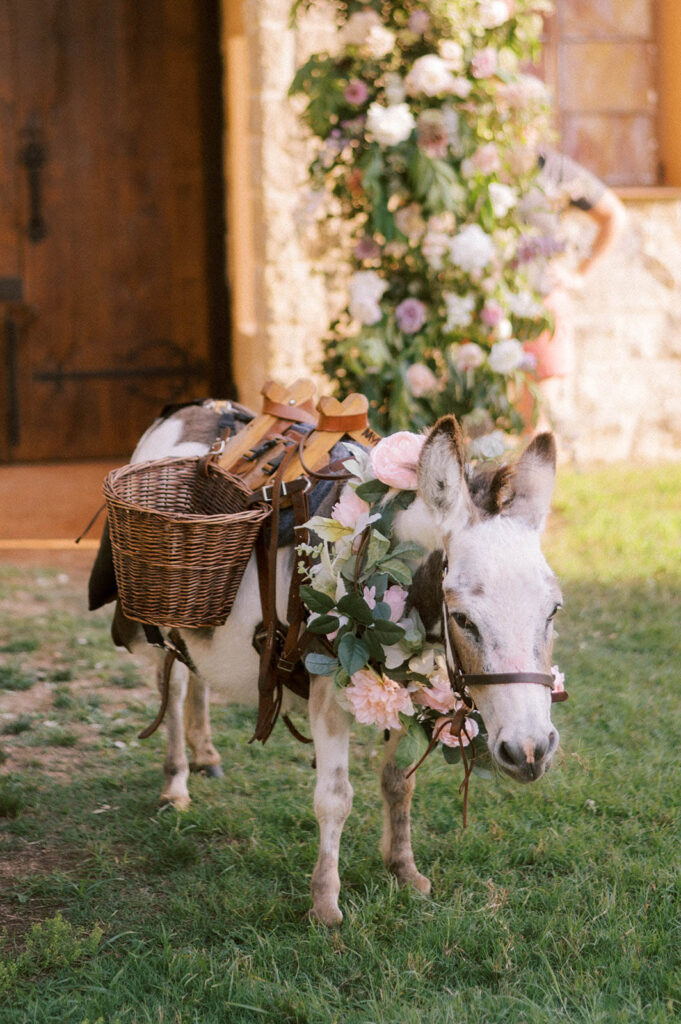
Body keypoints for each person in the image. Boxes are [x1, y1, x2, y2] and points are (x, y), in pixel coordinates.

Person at [519, 147, 627, 434]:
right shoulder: (473, 160)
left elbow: (613, 214)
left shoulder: (553, 169)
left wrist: (579, 274)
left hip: (540, 304)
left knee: (535, 423)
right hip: (483, 307)